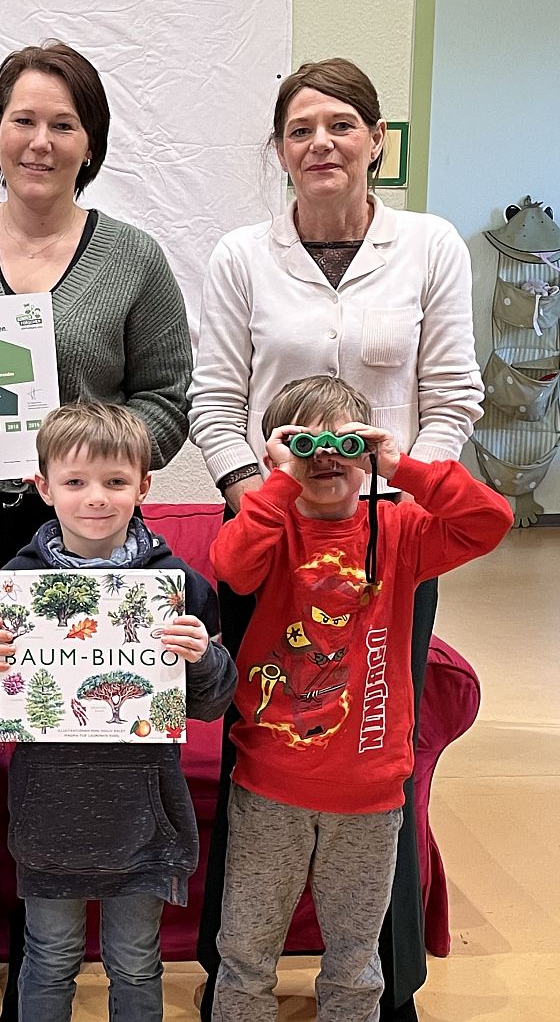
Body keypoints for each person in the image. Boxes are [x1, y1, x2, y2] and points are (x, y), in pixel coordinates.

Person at [0, 41, 193, 1010]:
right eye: (24, 119)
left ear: (89, 141)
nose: (41, 140)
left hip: (87, 549)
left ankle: (80, 948)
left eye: (63, 122)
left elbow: (169, 401)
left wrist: (90, 465)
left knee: (80, 739)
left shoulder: (134, 257)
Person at [187, 58, 485, 1020]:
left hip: (387, 536)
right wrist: (254, 493)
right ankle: (232, 979)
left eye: (343, 125)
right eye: (302, 128)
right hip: (271, 536)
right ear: (279, 150)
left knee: (380, 742)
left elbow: (454, 394)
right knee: (255, 743)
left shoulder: (430, 244)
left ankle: (383, 982)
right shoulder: (242, 254)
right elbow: (215, 399)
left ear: (376, 143)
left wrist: (393, 491)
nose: (322, 142)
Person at [207, 376, 511, 1020]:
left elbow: (490, 521)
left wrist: (403, 467)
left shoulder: (399, 529)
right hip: (271, 785)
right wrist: (277, 482)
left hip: (369, 787)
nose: (326, 456)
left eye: (344, 442)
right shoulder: (273, 525)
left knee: (355, 960)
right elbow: (232, 567)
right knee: (245, 953)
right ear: (279, 455)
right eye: (307, 444)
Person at [0, 402, 237, 1020]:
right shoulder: (14, 580)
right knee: (49, 956)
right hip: (50, 815)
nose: (97, 498)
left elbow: (213, 701)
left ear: (144, 485)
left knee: (137, 960)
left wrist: (201, 658)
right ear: (44, 488)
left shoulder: (179, 583)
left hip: (141, 816)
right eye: (75, 482)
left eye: (116, 482)